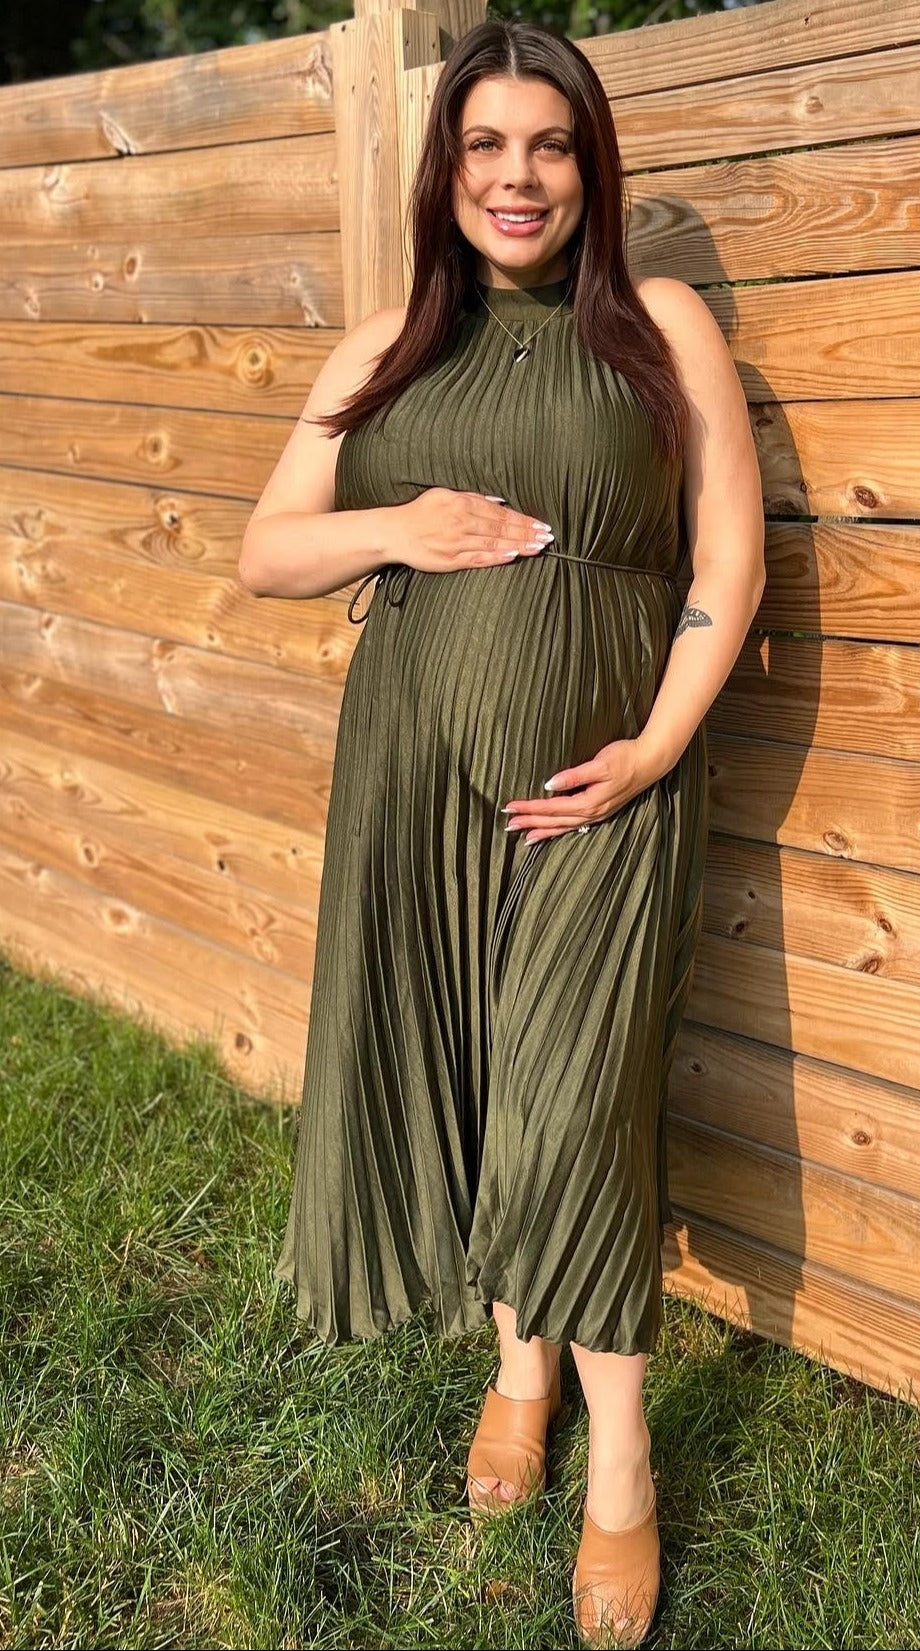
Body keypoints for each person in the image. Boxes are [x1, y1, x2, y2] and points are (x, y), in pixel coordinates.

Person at [239, 17, 764, 1646]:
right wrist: (401, 524)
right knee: (472, 1076)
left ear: (589, 166)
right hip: (409, 773)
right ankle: (516, 1374)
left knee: (572, 1106)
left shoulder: (660, 325)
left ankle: (622, 1466)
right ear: (446, 168)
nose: (516, 176)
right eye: (486, 145)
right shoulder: (386, 347)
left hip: (604, 786)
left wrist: (653, 748)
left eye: (549, 144)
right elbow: (269, 552)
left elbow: (728, 560)